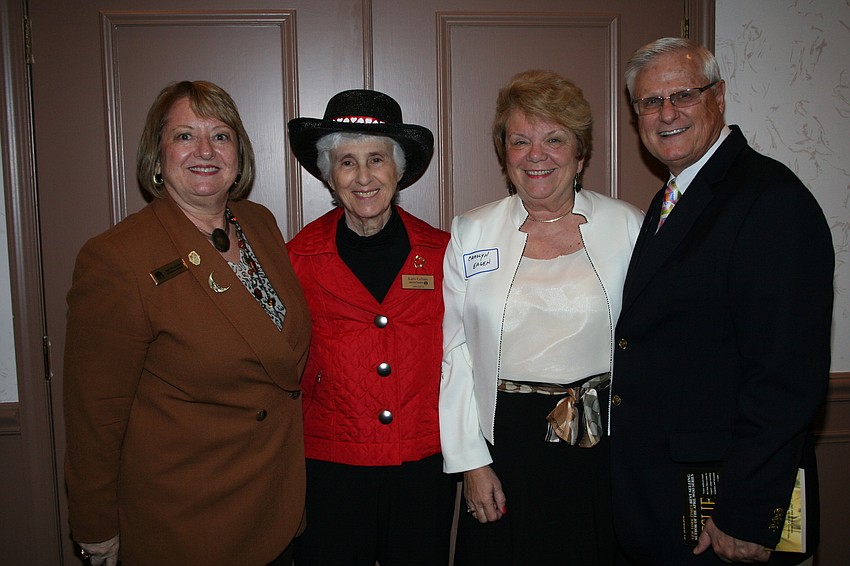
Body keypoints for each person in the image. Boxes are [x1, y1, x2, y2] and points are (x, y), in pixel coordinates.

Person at [63, 80, 312, 566]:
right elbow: (95, 414)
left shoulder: (259, 223)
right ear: (156, 157)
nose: (205, 150)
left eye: (220, 135)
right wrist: (95, 526)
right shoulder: (117, 258)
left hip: (272, 503)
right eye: (184, 136)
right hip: (187, 519)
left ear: (238, 153)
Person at [611, 37, 834, 565]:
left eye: (683, 94)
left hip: (725, 513)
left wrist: (747, 511)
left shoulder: (770, 200)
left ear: (719, 96)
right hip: (670, 501)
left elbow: (785, 378)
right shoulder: (674, 197)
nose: (667, 114)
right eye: (649, 102)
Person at [439, 69, 644, 564]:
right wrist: (471, 462)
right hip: (504, 442)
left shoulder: (628, 226)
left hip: (601, 438)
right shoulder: (473, 232)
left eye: (555, 139)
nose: (537, 155)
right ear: (503, 153)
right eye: (520, 140)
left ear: (581, 153)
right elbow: (456, 354)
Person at [286, 89, 455, 566]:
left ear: (398, 170)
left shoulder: (444, 254)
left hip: (422, 470)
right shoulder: (296, 259)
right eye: (347, 162)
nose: (363, 177)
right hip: (330, 471)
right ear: (328, 174)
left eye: (376, 159)